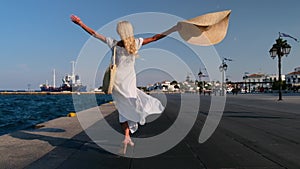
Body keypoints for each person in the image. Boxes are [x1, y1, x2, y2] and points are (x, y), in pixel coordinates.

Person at [71, 14, 178, 154]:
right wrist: (173, 29)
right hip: (129, 81)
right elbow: (155, 38)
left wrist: (80, 23)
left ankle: (127, 136)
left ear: (120, 32)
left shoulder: (114, 44)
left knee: (122, 109)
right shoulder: (137, 43)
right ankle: (134, 125)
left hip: (116, 83)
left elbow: (94, 34)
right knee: (133, 103)